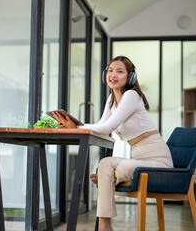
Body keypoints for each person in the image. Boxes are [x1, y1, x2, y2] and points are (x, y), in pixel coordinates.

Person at [53, 56, 173, 231]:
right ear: (105, 74)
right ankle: (105, 226)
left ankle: (105, 180)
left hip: (159, 162)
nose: (113, 75)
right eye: (110, 70)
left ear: (130, 77)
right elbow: (102, 128)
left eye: (120, 71)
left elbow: (108, 126)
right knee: (104, 164)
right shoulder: (111, 100)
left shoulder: (131, 95)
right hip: (139, 160)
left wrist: (76, 127)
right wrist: (74, 126)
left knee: (118, 169)